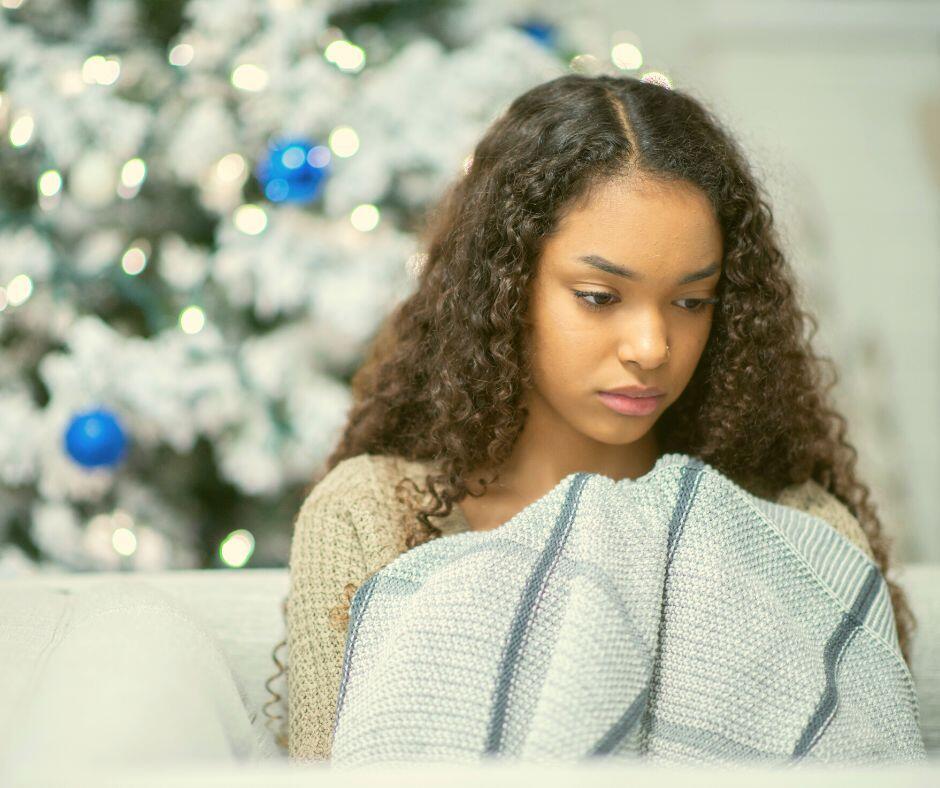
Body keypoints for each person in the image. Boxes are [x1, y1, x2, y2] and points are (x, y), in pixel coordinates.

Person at [261, 73, 917, 762]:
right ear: (506, 285)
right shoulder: (374, 518)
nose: (652, 348)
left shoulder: (800, 533)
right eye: (602, 297)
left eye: (692, 301)